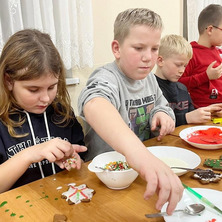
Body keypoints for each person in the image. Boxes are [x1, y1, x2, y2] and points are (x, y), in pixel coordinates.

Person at [78, 8, 183, 214]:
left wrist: (162, 114)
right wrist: (139, 154)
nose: (148, 58)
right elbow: (94, 103)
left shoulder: (150, 79)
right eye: (139, 48)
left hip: (139, 175)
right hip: (106, 180)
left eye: (154, 49)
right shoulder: (107, 77)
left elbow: (161, 105)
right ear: (117, 48)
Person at [0, 29, 87, 193]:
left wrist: (74, 162)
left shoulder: (62, 114)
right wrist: (29, 155)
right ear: (8, 81)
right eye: (34, 90)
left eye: (52, 87)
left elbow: (79, 165)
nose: (46, 98)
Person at [155, 34, 222, 126]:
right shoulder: (152, 88)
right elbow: (153, 123)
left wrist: (207, 111)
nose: (182, 70)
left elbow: (192, 113)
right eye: (178, 65)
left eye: (185, 66)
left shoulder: (182, 88)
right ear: (160, 61)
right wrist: (186, 118)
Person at [179, 4, 222, 108]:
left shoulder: (219, 52)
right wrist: (205, 76)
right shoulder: (190, 54)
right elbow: (178, 85)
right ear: (210, 30)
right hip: (202, 113)